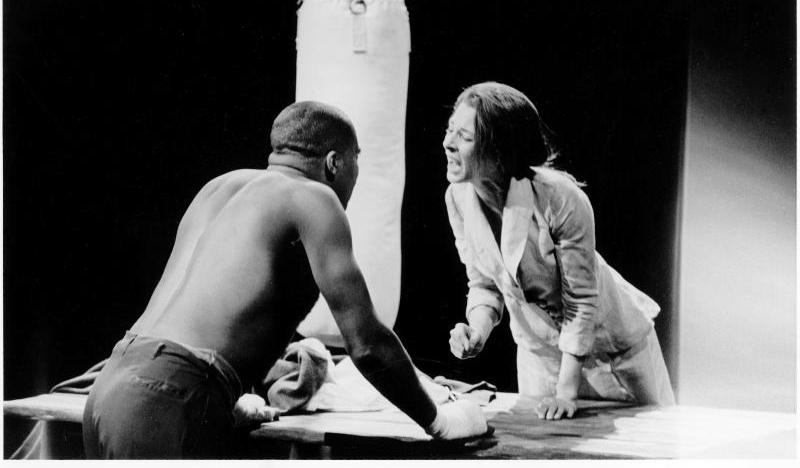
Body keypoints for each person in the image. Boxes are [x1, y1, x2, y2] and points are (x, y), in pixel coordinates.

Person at [83, 101, 487, 459]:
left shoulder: (218, 187)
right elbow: (367, 345)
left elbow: (208, 311)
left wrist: (225, 399)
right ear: (335, 163)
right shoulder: (315, 198)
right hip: (171, 399)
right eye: (355, 163)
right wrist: (440, 421)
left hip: (112, 387)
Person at [442, 82, 675, 421]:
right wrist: (476, 331)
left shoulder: (560, 197)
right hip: (541, 356)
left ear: (499, 148)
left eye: (464, 137)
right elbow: (484, 283)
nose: (447, 143)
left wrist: (566, 392)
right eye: (450, 130)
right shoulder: (458, 198)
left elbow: (580, 301)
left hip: (610, 351)